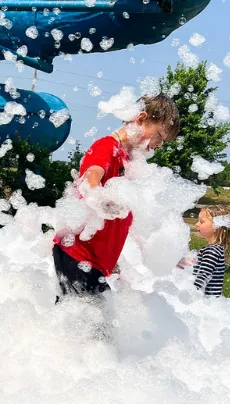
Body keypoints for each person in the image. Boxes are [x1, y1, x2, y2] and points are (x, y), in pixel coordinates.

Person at [52, 94, 180, 302]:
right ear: (140, 119)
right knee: (85, 329)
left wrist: (165, 253)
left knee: (92, 327)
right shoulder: (106, 147)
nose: (159, 145)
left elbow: (131, 220)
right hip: (77, 255)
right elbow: (92, 175)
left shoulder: (130, 163)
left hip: (95, 262)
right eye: (159, 135)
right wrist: (97, 196)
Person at [178, 205, 230, 296]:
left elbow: (203, 276)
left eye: (201, 221)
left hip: (206, 301)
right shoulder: (214, 249)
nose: (197, 224)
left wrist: (190, 295)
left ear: (217, 226)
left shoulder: (212, 251)